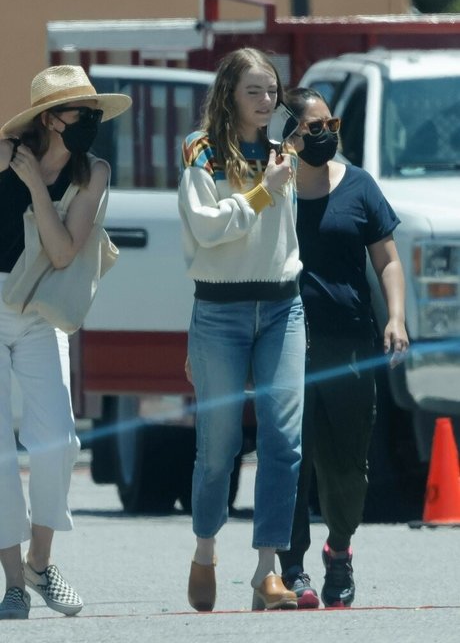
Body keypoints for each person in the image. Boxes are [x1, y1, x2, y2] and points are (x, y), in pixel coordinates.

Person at [0, 65, 131, 619]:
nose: (91, 122)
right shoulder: (5, 154)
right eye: (82, 113)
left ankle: (40, 562)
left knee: (58, 441)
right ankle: (13, 583)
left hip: (40, 313)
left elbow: (61, 253)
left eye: (95, 113)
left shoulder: (92, 172)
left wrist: (35, 185)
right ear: (51, 118)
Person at [178, 48, 306, 612]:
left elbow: (286, 233)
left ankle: (266, 569)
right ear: (229, 94)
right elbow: (207, 230)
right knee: (219, 445)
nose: (266, 100)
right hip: (220, 312)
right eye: (253, 90)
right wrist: (260, 192)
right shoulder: (200, 149)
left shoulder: (284, 152)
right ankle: (205, 550)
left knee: (283, 438)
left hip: (283, 306)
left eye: (272, 90)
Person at [277, 87, 409, 608]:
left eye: (331, 125)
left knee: (347, 465)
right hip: (285, 344)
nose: (327, 135)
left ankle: (340, 550)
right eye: (315, 128)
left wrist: (395, 317)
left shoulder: (359, 186)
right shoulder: (273, 190)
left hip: (350, 343)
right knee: (291, 459)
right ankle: (292, 568)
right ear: (289, 135)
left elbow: (388, 260)